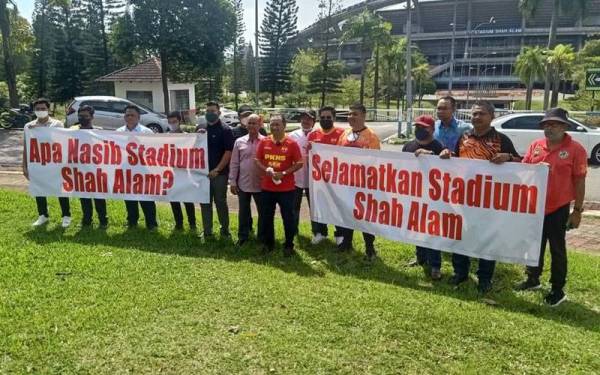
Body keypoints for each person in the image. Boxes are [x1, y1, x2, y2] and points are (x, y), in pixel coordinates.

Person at [440, 101, 521, 293]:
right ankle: (460, 273)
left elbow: (521, 162)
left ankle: (485, 278)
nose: (476, 117)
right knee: (461, 235)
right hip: (465, 197)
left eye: (481, 114)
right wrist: (447, 154)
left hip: (489, 200)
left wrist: (508, 158)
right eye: (474, 114)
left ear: (491, 116)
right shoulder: (464, 137)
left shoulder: (501, 139)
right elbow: (457, 158)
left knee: (487, 239)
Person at [516, 108, 588, 307]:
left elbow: (580, 181)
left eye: (554, 124)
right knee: (534, 244)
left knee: (557, 248)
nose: (549, 127)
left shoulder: (576, 149)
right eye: (546, 124)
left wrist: (577, 211)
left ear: (564, 126)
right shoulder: (536, 145)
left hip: (559, 207)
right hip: (535, 205)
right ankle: (532, 279)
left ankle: (557, 289)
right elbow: (525, 169)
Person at [402, 115, 447, 280]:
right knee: (416, 228)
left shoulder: (439, 146)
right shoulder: (408, 146)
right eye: (417, 127)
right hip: (413, 195)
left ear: (432, 130)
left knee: (432, 231)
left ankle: (435, 265)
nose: (419, 130)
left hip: (433, 198)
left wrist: (431, 156)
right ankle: (420, 257)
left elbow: (446, 169)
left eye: (424, 128)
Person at [337, 103, 381, 261]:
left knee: (365, 217)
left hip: (364, 185)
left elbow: (375, 161)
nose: (351, 117)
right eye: (349, 114)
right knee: (347, 213)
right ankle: (347, 242)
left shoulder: (371, 136)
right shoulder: (345, 134)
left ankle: (370, 247)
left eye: (355, 114)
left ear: (363, 116)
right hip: (346, 183)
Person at [255, 114, 303, 256]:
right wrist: (266, 170)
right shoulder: (264, 142)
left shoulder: (291, 143)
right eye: (272, 124)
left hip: (286, 189)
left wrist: (284, 173)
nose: (274, 127)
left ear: (284, 126)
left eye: (277, 124)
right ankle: (269, 244)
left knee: (288, 217)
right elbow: (257, 160)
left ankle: (289, 245)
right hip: (267, 188)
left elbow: (300, 163)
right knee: (266, 217)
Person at [23, 98, 72, 228]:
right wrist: (24, 166)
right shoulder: (28, 126)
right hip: (37, 163)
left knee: (60, 189)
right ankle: (43, 215)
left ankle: (66, 215)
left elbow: (61, 141)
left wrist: (39, 129)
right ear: (34, 110)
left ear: (48, 109)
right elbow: (26, 147)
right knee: (39, 189)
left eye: (43, 109)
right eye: (38, 109)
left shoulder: (57, 124)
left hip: (55, 163)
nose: (40, 111)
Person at [307, 106, 346, 245]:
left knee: (337, 206)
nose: (325, 120)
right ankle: (320, 232)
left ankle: (340, 234)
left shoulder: (343, 134)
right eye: (322, 117)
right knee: (318, 204)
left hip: (337, 179)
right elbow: (308, 156)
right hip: (318, 180)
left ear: (334, 118)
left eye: (328, 117)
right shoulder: (313, 135)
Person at [196, 101, 234, 239]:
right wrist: (197, 136)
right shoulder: (200, 128)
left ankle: (225, 230)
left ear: (219, 112)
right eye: (207, 111)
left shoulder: (226, 130)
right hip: (202, 174)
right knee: (205, 202)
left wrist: (217, 170)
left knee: (220, 202)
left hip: (219, 174)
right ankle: (207, 231)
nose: (209, 113)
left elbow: (228, 152)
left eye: (212, 111)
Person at [117, 105, 158, 230]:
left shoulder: (147, 132)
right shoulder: (118, 132)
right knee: (129, 198)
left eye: (132, 115)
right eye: (127, 115)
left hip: (143, 170)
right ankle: (132, 222)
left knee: (147, 198)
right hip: (126, 170)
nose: (129, 117)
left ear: (138, 117)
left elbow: (154, 151)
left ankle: (151, 223)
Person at [229, 114, 265, 247]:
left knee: (263, 212)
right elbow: (234, 163)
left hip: (261, 184)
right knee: (243, 211)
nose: (251, 126)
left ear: (260, 125)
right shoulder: (239, 141)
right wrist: (232, 181)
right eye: (249, 123)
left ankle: (262, 237)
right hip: (243, 183)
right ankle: (243, 236)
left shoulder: (266, 141)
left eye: (254, 123)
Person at [72, 105, 108, 229]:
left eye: (85, 116)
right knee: (84, 197)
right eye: (80, 116)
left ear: (92, 117)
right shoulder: (73, 131)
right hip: (80, 171)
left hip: (97, 170)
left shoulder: (99, 131)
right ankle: (87, 219)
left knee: (99, 197)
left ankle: (103, 220)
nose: (82, 118)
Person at [166, 111, 197, 231]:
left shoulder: (187, 136)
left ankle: (192, 223)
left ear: (180, 121)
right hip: (171, 173)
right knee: (174, 199)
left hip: (185, 173)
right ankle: (179, 224)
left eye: (174, 122)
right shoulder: (164, 137)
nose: (172, 124)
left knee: (188, 200)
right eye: (170, 122)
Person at [289, 110, 316, 237]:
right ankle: (293, 231)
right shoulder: (292, 135)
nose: (306, 121)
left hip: (314, 178)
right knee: (294, 206)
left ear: (314, 121)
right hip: (296, 176)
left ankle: (318, 232)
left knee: (315, 207)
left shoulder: (318, 135)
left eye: (309, 119)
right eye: (304, 119)